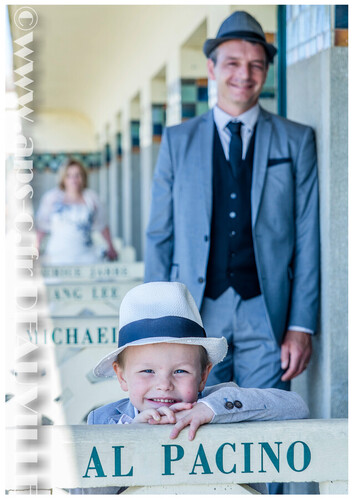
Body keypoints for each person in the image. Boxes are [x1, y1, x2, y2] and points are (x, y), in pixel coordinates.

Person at [145, 11, 319, 393]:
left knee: (268, 421)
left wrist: (301, 325)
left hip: (268, 310)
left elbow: (308, 235)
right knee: (193, 423)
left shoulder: (296, 140)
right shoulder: (178, 141)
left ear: (267, 71)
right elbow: (160, 235)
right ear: (211, 67)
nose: (245, 74)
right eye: (233, 63)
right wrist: (156, 326)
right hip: (195, 309)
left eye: (257, 65)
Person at [72, 281, 309, 494]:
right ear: (121, 376)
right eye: (148, 371)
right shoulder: (104, 422)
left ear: (203, 375)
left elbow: (297, 407)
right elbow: (85, 493)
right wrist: (129, 438)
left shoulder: (223, 405)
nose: (164, 385)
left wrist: (210, 409)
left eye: (180, 371)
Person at [35, 159, 118, 265]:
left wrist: (111, 247)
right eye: (69, 175)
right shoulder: (51, 198)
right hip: (57, 257)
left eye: (77, 175)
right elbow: (42, 226)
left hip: (86, 257)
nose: (73, 179)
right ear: (63, 178)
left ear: (83, 177)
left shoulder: (91, 198)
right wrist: (36, 247)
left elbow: (102, 225)